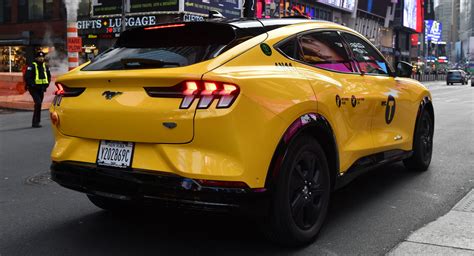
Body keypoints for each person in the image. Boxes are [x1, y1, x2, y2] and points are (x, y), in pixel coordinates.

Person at [24, 51, 51, 128]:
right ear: (36, 58)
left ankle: (37, 121)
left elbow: (48, 76)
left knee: (39, 105)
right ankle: (35, 122)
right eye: (39, 57)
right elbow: (27, 77)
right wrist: (32, 85)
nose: (41, 58)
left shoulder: (45, 66)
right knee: (38, 103)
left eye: (42, 57)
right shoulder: (32, 66)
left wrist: (47, 85)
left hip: (41, 88)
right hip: (33, 88)